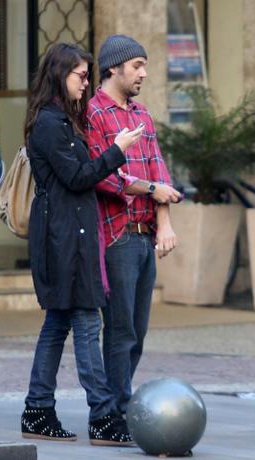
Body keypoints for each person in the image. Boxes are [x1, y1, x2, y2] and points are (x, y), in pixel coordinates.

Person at [20, 43, 144, 445]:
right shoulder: (49, 123)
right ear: (60, 75)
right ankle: (103, 415)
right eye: (81, 76)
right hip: (62, 239)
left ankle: (38, 409)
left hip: (71, 235)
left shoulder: (64, 120)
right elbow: (76, 177)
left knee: (58, 323)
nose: (87, 83)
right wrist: (117, 151)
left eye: (88, 75)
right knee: (87, 323)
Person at [87, 35, 182, 415]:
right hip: (117, 237)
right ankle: (115, 410)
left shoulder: (142, 115)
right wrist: (154, 189)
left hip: (145, 238)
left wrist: (165, 223)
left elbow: (162, 174)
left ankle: (119, 402)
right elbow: (104, 177)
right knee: (121, 330)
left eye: (144, 65)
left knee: (137, 333)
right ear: (114, 67)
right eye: (137, 65)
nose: (144, 72)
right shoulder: (93, 113)